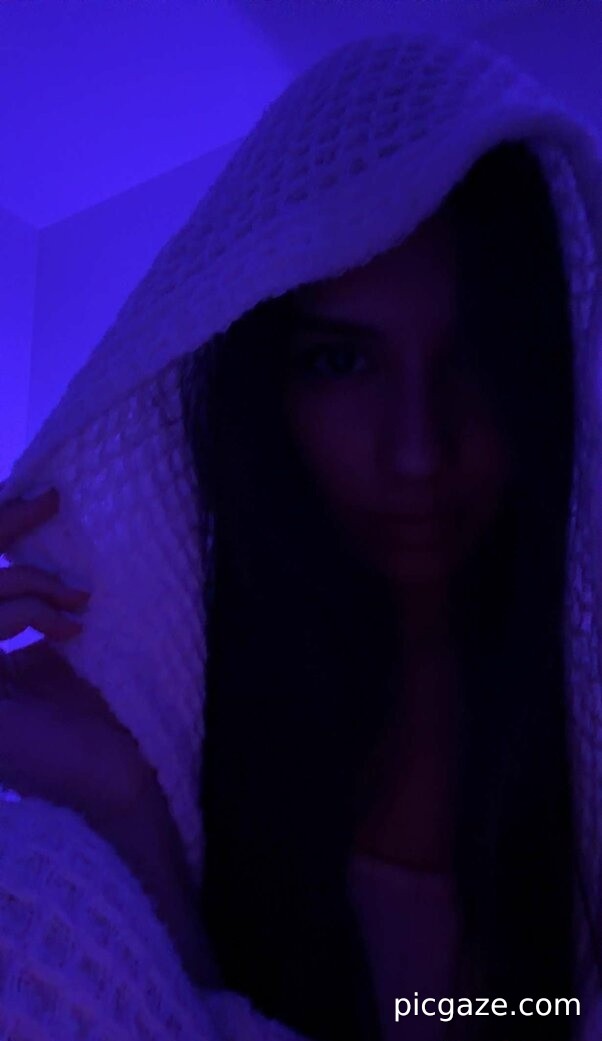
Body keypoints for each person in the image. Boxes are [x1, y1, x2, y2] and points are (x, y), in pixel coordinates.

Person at [0, 26, 601, 1041]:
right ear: (261, 394)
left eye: (477, 358)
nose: (417, 449)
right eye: (342, 362)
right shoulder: (158, 740)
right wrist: (123, 802)